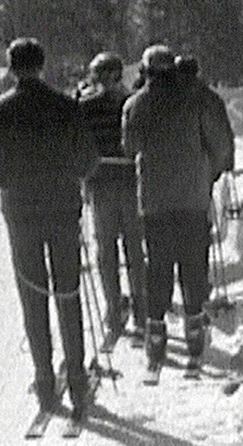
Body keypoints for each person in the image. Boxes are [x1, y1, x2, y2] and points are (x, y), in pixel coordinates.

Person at [0, 37, 98, 421]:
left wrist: (10, 179)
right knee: (68, 291)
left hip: (22, 214)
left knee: (34, 295)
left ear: (11, 68)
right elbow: (88, 159)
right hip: (61, 210)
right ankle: (76, 377)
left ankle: (44, 380)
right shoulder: (65, 106)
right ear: (42, 65)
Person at [122, 46, 235, 372]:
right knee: (193, 264)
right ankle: (195, 330)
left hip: (154, 203)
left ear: (145, 71)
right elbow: (220, 146)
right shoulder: (197, 99)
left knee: (157, 266)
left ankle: (156, 335)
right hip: (193, 199)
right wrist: (207, 174)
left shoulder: (136, 105)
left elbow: (130, 149)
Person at [77, 52, 147, 341]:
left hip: (102, 185)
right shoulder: (133, 102)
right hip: (131, 184)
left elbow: (78, 146)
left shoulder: (84, 107)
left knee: (106, 251)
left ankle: (114, 310)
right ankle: (141, 312)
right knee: (135, 250)